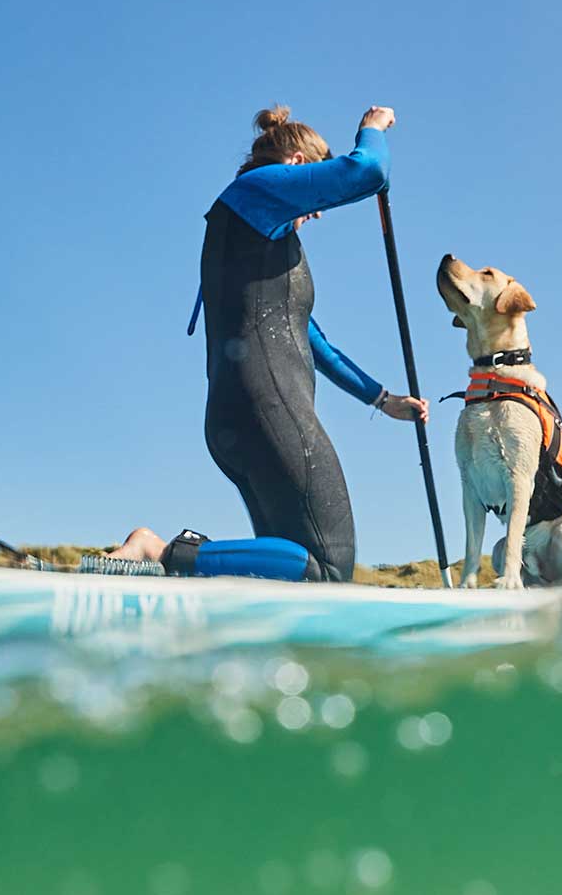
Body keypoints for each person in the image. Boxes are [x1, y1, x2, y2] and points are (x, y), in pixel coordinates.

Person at [106, 104, 428, 582]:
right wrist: (372, 129)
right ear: (298, 164)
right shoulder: (255, 193)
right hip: (269, 411)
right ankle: (159, 553)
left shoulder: (253, 232)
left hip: (241, 417)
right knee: (329, 570)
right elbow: (368, 170)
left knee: (288, 580)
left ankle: (176, 572)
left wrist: (382, 400)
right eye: (315, 192)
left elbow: (312, 340)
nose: (317, 212)